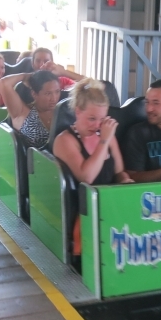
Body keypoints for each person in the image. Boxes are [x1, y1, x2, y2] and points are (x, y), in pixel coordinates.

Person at [53, 80, 132, 257]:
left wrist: (125, 181)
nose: (97, 125)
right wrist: (103, 141)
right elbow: (86, 177)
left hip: (111, 204)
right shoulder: (65, 140)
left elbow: (119, 171)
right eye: (92, 119)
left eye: (102, 120)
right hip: (84, 209)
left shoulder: (107, 136)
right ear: (78, 112)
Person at [0, 69, 61, 149]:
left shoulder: (62, 111)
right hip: (33, 160)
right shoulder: (22, 112)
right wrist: (27, 76)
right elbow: (4, 83)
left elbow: (82, 88)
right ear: (34, 94)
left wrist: (64, 72)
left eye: (57, 92)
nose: (54, 98)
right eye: (48, 93)